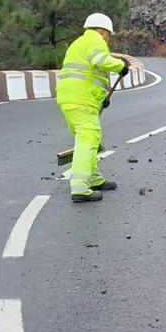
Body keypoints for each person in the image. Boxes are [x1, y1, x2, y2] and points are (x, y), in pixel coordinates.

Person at [56, 13, 130, 203]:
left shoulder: (78, 43)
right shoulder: (95, 40)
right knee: (88, 139)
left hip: (71, 98)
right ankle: (80, 188)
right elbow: (101, 61)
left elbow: (88, 73)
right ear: (103, 31)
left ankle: (94, 178)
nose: (108, 38)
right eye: (108, 34)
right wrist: (120, 65)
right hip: (81, 99)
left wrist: (102, 98)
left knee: (90, 140)